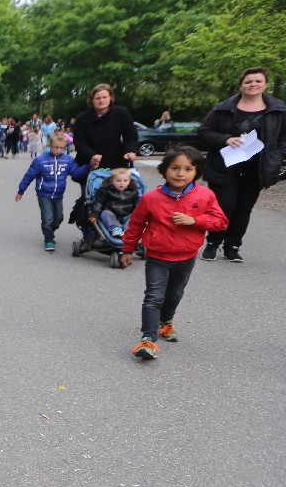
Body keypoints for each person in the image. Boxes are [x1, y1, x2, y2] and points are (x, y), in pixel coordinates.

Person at [120, 146, 228, 359]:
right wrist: (127, 249)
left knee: (175, 294)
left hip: (186, 257)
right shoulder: (151, 198)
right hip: (157, 257)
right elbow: (136, 225)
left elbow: (221, 221)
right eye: (175, 168)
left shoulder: (205, 195)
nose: (181, 173)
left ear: (197, 171)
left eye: (188, 169)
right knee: (153, 296)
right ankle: (148, 339)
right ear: (165, 170)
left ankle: (166, 322)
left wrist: (195, 220)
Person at [197, 67, 286, 264]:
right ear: (241, 85)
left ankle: (232, 246)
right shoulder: (223, 108)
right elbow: (204, 131)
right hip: (225, 165)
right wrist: (225, 139)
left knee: (243, 208)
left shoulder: (278, 109)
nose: (253, 84)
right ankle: (213, 243)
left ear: (265, 84)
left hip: (257, 167)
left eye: (258, 81)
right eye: (248, 81)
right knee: (224, 205)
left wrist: (280, 154)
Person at [70, 84, 138, 246]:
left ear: (111, 98)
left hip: (117, 164)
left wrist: (130, 151)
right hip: (91, 164)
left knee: (122, 199)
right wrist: (91, 156)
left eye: (104, 97)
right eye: (97, 98)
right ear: (92, 100)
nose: (101, 101)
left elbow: (130, 136)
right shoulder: (83, 118)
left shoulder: (121, 113)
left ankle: (119, 230)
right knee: (90, 199)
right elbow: (79, 143)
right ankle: (90, 235)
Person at [15, 132, 93, 252]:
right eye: (56, 147)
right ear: (49, 145)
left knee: (59, 218)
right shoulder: (40, 161)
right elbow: (28, 176)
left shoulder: (67, 160)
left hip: (58, 194)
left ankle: (50, 230)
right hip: (43, 193)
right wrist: (21, 191)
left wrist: (89, 166)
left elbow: (76, 173)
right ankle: (49, 238)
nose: (58, 150)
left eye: (61, 148)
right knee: (48, 218)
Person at [90, 167, 140, 239]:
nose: (122, 183)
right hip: (112, 213)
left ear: (129, 181)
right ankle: (115, 228)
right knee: (105, 213)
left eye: (125, 181)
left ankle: (127, 230)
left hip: (127, 214)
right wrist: (94, 213)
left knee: (135, 215)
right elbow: (99, 202)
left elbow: (137, 202)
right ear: (112, 181)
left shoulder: (133, 191)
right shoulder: (106, 190)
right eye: (118, 180)